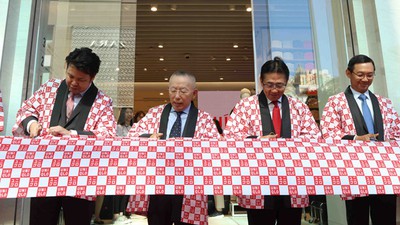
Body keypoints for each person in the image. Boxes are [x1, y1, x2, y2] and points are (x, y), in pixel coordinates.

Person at [12, 47, 117, 225]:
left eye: (81, 80)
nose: (74, 82)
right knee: (40, 219)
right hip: (44, 170)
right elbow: (26, 109)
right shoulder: (50, 88)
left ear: (92, 77)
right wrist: (32, 124)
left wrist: (71, 134)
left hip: (81, 175)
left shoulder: (102, 101)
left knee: (78, 219)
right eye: (70, 76)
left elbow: (108, 135)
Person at [224, 57, 321, 225]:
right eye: (269, 85)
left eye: (280, 85)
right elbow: (230, 139)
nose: (275, 90)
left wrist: (290, 144)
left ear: (287, 82)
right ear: (261, 81)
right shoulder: (245, 106)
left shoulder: (299, 107)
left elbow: (314, 138)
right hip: (258, 181)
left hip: (293, 180)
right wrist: (258, 141)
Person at [127, 70, 221, 225]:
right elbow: (132, 136)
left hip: (190, 187)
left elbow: (214, 149)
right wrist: (147, 138)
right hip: (158, 185)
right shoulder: (154, 113)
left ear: (194, 93)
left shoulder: (204, 119)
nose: (177, 96)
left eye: (183, 91)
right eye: (173, 90)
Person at [320, 54, 400, 225]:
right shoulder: (335, 103)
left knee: (386, 218)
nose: (365, 79)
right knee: (357, 218)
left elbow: (397, 133)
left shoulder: (384, 103)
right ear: (348, 73)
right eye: (360, 74)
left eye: (370, 75)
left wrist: (391, 143)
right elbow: (328, 135)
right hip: (354, 171)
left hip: (384, 171)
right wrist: (356, 138)